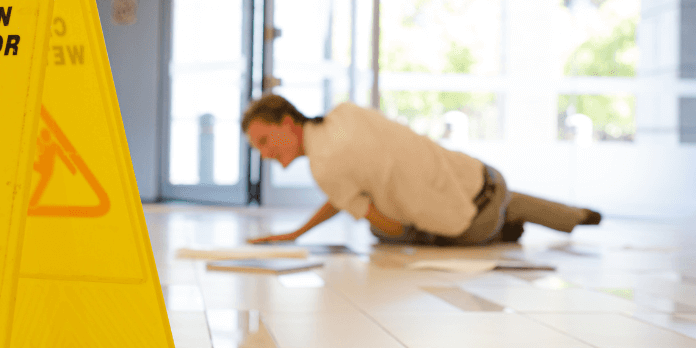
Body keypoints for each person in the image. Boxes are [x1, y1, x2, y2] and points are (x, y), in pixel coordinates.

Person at [242, 95, 601, 245]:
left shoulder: (324, 171)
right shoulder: (345, 113)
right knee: (502, 197)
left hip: (471, 228)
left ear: (287, 123)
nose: (265, 154)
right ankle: (576, 216)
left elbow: (382, 219)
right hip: (485, 177)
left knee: (383, 233)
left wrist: (405, 229)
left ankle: (505, 229)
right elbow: (344, 193)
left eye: (263, 141)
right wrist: (298, 232)